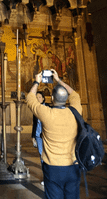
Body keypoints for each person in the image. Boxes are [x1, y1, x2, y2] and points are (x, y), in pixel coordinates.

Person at [26, 69, 82, 199]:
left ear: (51, 98)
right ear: (66, 99)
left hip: (53, 168)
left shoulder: (47, 114)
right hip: (73, 166)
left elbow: (30, 99)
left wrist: (36, 81)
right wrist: (58, 80)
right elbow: (75, 95)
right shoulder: (75, 111)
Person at [31, 90, 48, 185]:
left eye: (39, 97)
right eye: (36, 97)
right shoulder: (35, 109)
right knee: (42, 157)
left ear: (43, 98)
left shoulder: (48, 107)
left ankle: (50, 176)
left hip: (47, 136)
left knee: (49, 156)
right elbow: (34, 124)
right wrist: (33, 136)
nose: (38, 99)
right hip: (38, 136)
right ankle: (46, 178)